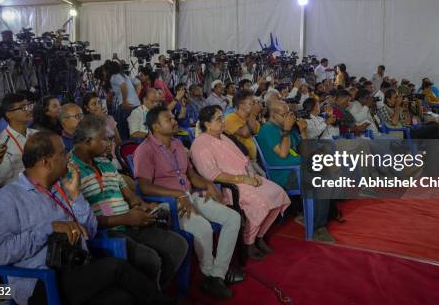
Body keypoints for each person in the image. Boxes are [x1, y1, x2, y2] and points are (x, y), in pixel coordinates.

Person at [0, 131, 174, 305]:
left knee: (123, 298)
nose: (68, 157)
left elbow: (90, 231)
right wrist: (49, 228)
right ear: (45, 162)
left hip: (76, 269)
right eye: (63, 153)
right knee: (116, 268)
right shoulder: (7, 199)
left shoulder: (62, 189)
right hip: (40, 282)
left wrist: (76, 196)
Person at [133, 106, 243, 299]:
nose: (175, 121)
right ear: (156, 126)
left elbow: (190, 174)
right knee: (203, 228)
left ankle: (216, 275)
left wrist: (208, 184)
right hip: (167, 202)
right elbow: (145, 187)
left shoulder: (176, 144)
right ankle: (209, 272)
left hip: (190, 195)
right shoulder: (145, 150)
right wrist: (178, 195)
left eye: (173, 117)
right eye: (169, 119)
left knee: (233, 218)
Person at [70, 115, 188, 289]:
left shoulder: (105, 163)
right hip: (106, 230)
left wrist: (142, 205)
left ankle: (154, 292)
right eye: (105, 139)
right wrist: (126, 218)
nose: (110, 143)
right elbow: (81, 219)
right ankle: (149, 294)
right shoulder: (71, 172)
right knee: (149, 259)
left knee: (178, 245)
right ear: (88, 141)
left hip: (130, 222)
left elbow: (129, 194)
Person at [191, 106, 290, 260]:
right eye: (219, 119)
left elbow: (244, 160)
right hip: (229, 186)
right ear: (207, 124)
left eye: (223, 117)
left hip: (246, 179)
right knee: (261, 203)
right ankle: (249, 243)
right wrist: (242, 179)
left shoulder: (223, 137)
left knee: (278, 193)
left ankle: (259, 236)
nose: (223, 121)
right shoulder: (200, 144)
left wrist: (253, 175)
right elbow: (211, 174)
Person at [256, 100, 335, 242]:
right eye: (285, 114)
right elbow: (283, 154)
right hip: (285, 174)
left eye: (289, 113)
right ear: (273, 115)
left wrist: (303, 131)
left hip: (299, 169)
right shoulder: (267, 129)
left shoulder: (291, 130)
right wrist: (286, 130)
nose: (290, 117)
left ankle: (313, 219)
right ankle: (317, 228)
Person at [0, 93, 38, 187]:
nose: (29, 110)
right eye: (23, 107)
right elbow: (3, 182)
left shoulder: (37, 134)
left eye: (29, 105)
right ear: (9, 114)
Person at [82, 92, 122, 163]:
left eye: (99, 102)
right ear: (87, 108)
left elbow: (118, 141)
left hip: (115, 156)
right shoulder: (86, 124)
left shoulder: (109, 118)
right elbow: (89, 149)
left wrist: (113, 147)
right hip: (98, 160)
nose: (98, 106)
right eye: (94, 104)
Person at [224, 90, 263, 160]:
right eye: (252, 103)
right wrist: (254, 114)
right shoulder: (230, 118)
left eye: (255, 102)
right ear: (241, 106)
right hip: (239, 160)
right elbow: (245, 133)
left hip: (254, 159)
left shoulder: (253, 121)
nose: (255, 105)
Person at [107, 61, 141, 140]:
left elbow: (111, 95)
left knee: (123, 134)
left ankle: (125, 149)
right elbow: (138, 82)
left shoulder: (114, 77)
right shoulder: (124, 76)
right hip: (134, 107)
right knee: (133, 132)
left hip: (124, 108)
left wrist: (125, 100)